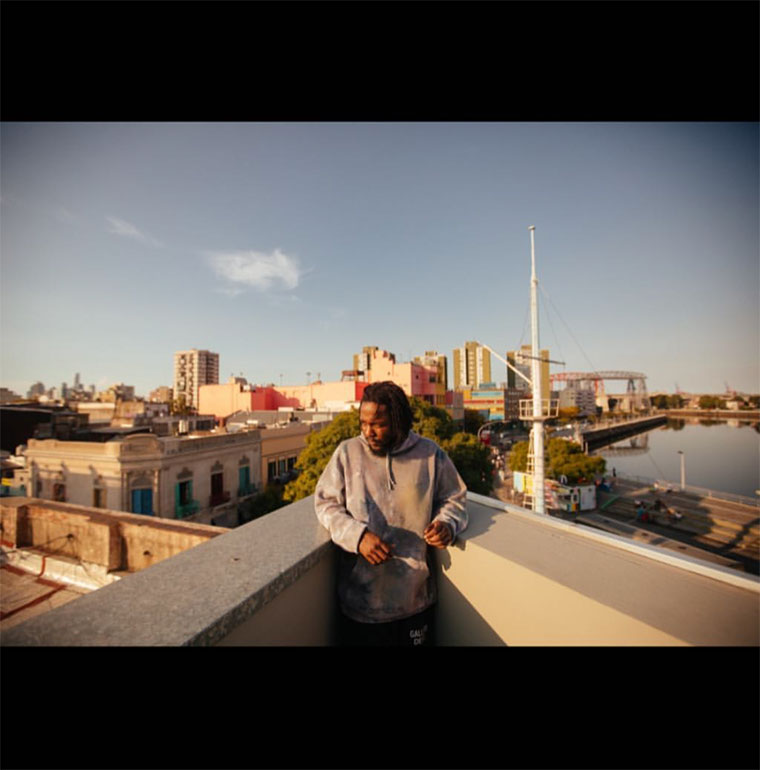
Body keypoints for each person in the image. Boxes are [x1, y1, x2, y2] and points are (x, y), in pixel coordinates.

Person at [314, 381, 468, 646]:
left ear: (399, 421)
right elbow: (326, 504)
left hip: (415, 603)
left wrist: (446, 523)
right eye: (363, 423)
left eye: (378, 424)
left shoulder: (430, 454)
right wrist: (357, 537)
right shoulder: (347, 453)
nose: (368, 432)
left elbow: (455, 498)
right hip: (360, 606)